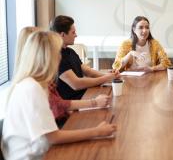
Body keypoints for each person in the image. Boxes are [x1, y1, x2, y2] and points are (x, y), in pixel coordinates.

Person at [1, 31, 116, 160]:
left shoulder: (32, 84)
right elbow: (53, 137)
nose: (60, 57)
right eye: (57, 52)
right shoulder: (32, 88)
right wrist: (97, 132)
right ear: (48, 57)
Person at [14, 26, 111, 126]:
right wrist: (95, 101)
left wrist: (106, 77)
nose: (59, 55)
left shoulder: (40, 79)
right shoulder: (32, 86)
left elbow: (59, 104)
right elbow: (71, 89)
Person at [50, 15, 119, 100]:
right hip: (72, 103)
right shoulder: (56, 57)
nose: (76, 35)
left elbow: (87, 71)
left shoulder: (70, 51)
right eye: (73, 32)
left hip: (83, 94)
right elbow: (76, 84)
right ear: (62, 35)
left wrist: (110, 75)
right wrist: (105, 78)